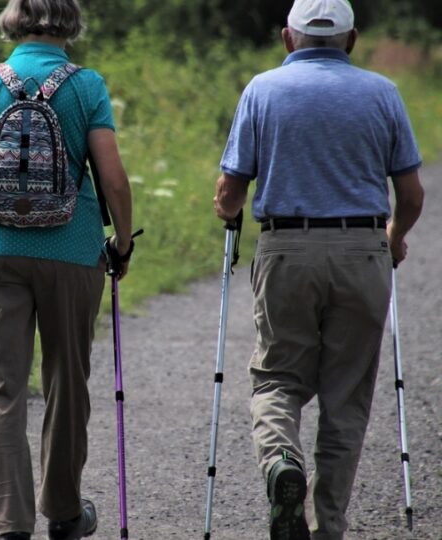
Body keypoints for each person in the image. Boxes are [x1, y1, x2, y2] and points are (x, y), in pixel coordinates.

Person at [213, 1, 424, 539]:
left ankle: (282, 458)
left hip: (287, 249)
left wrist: (229, 212)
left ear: (289, 38)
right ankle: (326, 525)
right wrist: (394, 238)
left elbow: (231, 191)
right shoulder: (383, 93)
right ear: (351, 40)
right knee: (345, 396)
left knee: (278, 378)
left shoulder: (262, 89)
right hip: (362, 250)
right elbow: (412, 193)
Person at [0, 1, 134, 539]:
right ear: (69, 23)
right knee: (66, 381)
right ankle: (66, 513)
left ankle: (11, 524)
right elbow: (113, 182)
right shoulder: (88, 85)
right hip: (72, 251)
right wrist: (120, 243)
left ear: (13, 21)